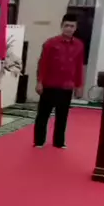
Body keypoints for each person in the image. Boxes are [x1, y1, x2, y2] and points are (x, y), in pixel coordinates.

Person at [34, 13, 84, 149]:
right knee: (43, 115)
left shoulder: (79, 45)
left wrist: (79, 85)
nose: (69, 28)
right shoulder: (50, 43)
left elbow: (79, 66)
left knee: (62, 116)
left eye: (72, 26)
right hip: (49, 85)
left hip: (67, 86)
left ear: (76, 28)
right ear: (62, 26)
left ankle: (59, 142)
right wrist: (39, 82)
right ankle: (39, 141)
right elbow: (43, 64)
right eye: (66, 25)